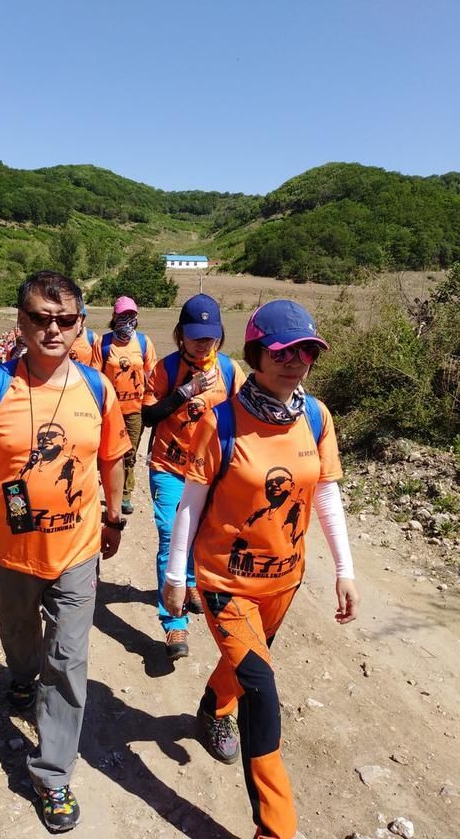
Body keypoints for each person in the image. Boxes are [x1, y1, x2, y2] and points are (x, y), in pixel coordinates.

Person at [163, 299, 360, 839]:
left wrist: (345, 568)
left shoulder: (317, 417)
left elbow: (325, 494)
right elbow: (190, 503)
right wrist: (175, 576)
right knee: (263, 688)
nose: (295, 361)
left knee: (246, 666)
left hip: (284, 578)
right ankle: (276, 829)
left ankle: (211, 708)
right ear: (255, 354)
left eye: (306, 351)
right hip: (226, 581)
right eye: (282, 351)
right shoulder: (221, 421)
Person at [0, 270, 131, 833]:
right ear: (21, 321)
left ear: (81, 325)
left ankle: (52, 774)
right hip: (10, 553)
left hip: (77, 553)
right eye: (39, 318)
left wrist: (114, 516)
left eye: (65, 320)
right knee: (19, 635)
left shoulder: (97, 389)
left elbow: (113, 458)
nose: (52, 330)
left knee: (68, 662)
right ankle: (21, 674)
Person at [141, 294, 244, 662]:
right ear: (180, 334)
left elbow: (247, 415)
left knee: (200, 535)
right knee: (171, 533)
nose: (204, 342)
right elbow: (149, 416)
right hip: (169, 469)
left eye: (210, 335)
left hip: (211, 473)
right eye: (195, 335)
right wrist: (186, 391)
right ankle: (173, 621)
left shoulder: (230, 372)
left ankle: (187, 582)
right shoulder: (165, 369)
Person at [92, 296, 157, 515]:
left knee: (129, 453)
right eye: (123, 316)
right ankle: (98, 489)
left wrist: (149, 405)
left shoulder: (144, 343)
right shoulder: (103, 343)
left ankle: (125, 495)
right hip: (109, 411)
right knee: (105, 453)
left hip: (134, 410)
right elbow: (94, 377)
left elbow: (153, 376)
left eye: (132, 316)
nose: (127, 320)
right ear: (114, 317)